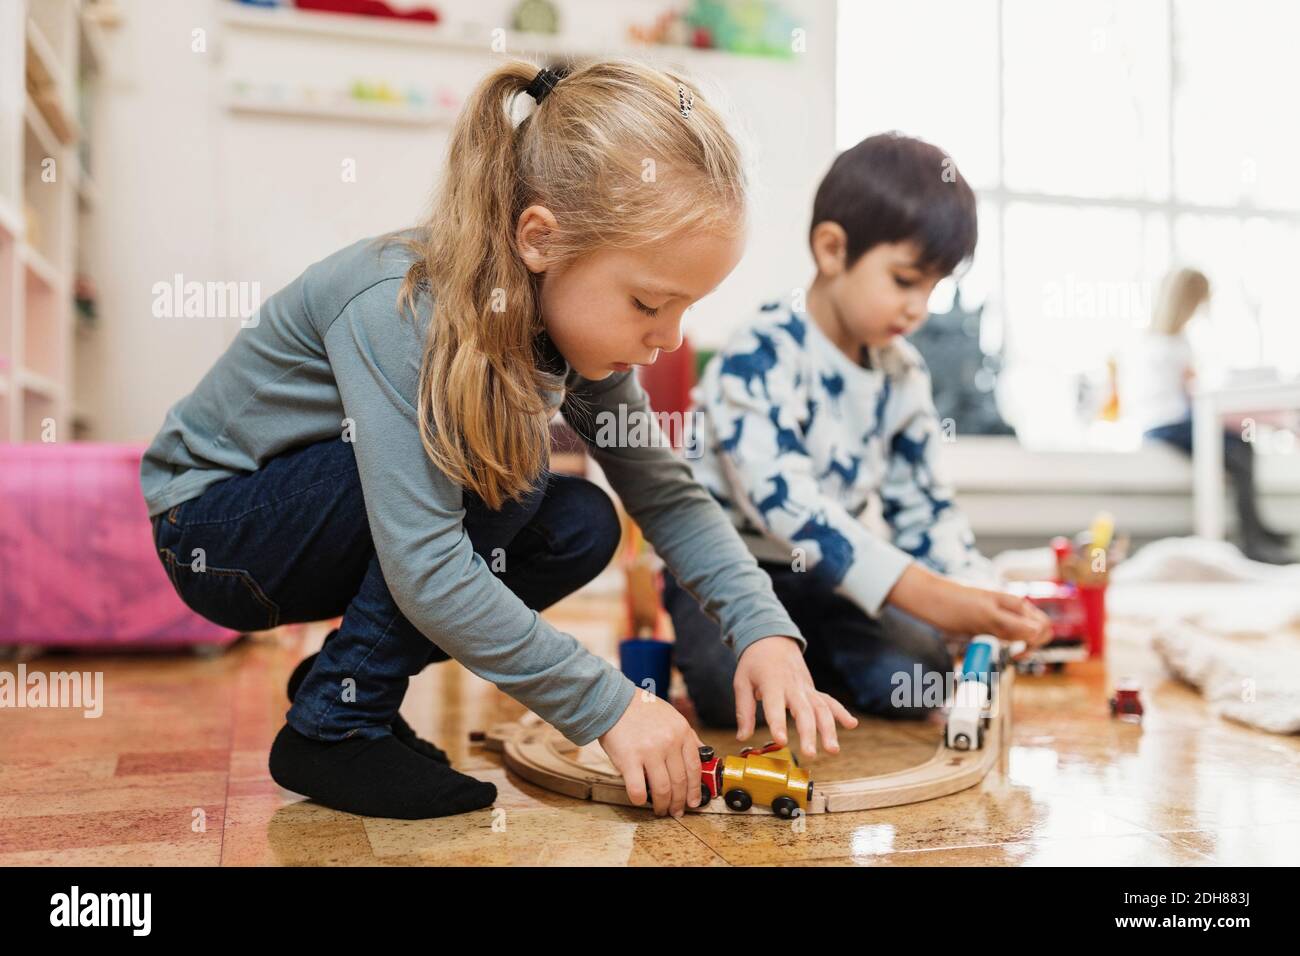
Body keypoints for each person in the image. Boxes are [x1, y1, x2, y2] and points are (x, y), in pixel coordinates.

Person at [140, 60, 858, 821]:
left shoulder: (579, 334)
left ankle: (346, 685)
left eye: (686, 309)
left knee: (583, 522)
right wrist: (611, 708)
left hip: (321, 520)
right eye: (649, 301)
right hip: (217, 531)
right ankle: (335, 727)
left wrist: (763, 629)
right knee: (503, 466)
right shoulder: (399, 306)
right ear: (539, 239)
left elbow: (667, 494)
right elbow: (424, 564)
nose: (668, 339)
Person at [664, 132, 1052, 729]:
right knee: (727, 696)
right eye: (904, 281)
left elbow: (924, 506)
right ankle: (784, 662)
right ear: (832, 249)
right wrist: (933, 598)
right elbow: (787, 506)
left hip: (827, 581)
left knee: (919, 679)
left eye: (934, 288)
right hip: (733, 571)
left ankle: (810, 663)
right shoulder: (759, 354)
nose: (919, 307)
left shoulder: (903, 374)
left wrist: (979, 593)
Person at [1127, 267, 1292, 564]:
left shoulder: (1168, 341)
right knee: (1237, 447)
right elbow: (1190, 393)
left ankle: (1256, 532)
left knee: (1241, 443)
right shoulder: (1165, 345)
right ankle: (1253, 538)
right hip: (1166, 424)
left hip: (1176, 420)